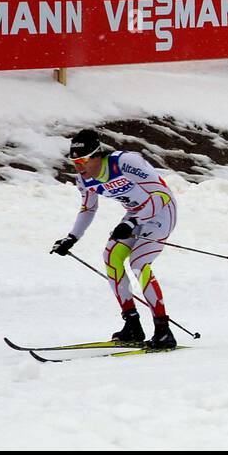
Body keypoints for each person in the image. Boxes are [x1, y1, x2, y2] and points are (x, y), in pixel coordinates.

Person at [49, 129, 180, 350]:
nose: (78, 166)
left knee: (138, 264)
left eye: (82, 160)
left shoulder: (125, 163)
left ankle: (163, 331)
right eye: (74, 161)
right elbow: (88, 208)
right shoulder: (84, 178)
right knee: (111, 257)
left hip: (161, 213)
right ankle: (132, 325)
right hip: (134, 215)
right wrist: (72, 238)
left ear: (96, 156)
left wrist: (132, 221)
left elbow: (162, 195)